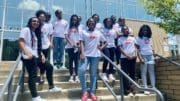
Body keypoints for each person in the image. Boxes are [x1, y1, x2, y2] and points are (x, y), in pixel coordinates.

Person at [19, 17, 60, 101]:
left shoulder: (35, 33)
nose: (36, 22)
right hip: (29, 57)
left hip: (36, 56)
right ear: (30, 22)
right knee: (33, 75)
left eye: (37, 21)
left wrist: (42, 55)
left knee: (49, 67)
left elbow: (36, 47)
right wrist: (27, 53)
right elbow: (21, 41)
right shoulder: (26, 29)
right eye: (34, 21)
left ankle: (51, 87)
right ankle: (35, 97)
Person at [78, 18, 107, 101]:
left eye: (93, 22)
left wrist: (101, 48)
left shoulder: (98, 32)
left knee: (93, 74)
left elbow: (105, 42)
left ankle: (92, 92)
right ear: (87, 23)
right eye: (90, 22)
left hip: (95, 55)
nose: (91, 23)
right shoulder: (83, 32)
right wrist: (82, 53)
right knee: (81, 70)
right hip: (86, 55)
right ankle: (84, 92)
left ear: (95, 23)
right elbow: (81, 43)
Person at [136, 25, 156, 95]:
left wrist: (154, 56)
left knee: (151, 72)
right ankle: (145, 88)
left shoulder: (150, 38)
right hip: (143, 55)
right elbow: (137, 49)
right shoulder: (138, 38)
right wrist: (140, 58)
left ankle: (153, 87)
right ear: (141, 30)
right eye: (144, 30)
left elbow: (151, 47)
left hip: (150, 56)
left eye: (146, 30)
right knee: (144, 72)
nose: (145, 31)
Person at [118, 26, 137, 96]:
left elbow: (135, 47)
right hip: (124, 59)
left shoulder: (132, 38)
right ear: (122, 31)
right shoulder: (120, 39)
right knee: (125, 75)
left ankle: (133, 89)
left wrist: (135, 54)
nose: (126, 31)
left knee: (132, 74)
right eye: (124, 30)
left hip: (133, 58)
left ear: (128, 30)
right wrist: (127, 55)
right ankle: (127, 91)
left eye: (127, 29)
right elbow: (120, 48)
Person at [35, 10, 53, 83]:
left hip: (46, 46)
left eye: (43, 17)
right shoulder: (36, 24)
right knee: (38, 61)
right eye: (41, 17)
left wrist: (51, 43)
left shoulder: (49, 25)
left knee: (44, 62)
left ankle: (41, 76)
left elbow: (51, 34)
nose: (42, 18)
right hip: (38, 47)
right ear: (38, 17)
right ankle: (35, 75)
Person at [65, 14, 80, 83]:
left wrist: (77, 43)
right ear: (71, 20)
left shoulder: (79, 27)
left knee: (76, 62)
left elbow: (81, 37)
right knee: (71, 62)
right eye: (73, 19)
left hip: (77, 47)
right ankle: (71, 76)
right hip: (70, 47)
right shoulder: (68, 27)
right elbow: (66, 36)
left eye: (76, 19)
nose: (74, 21)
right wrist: (71, 43)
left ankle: (76, 76)